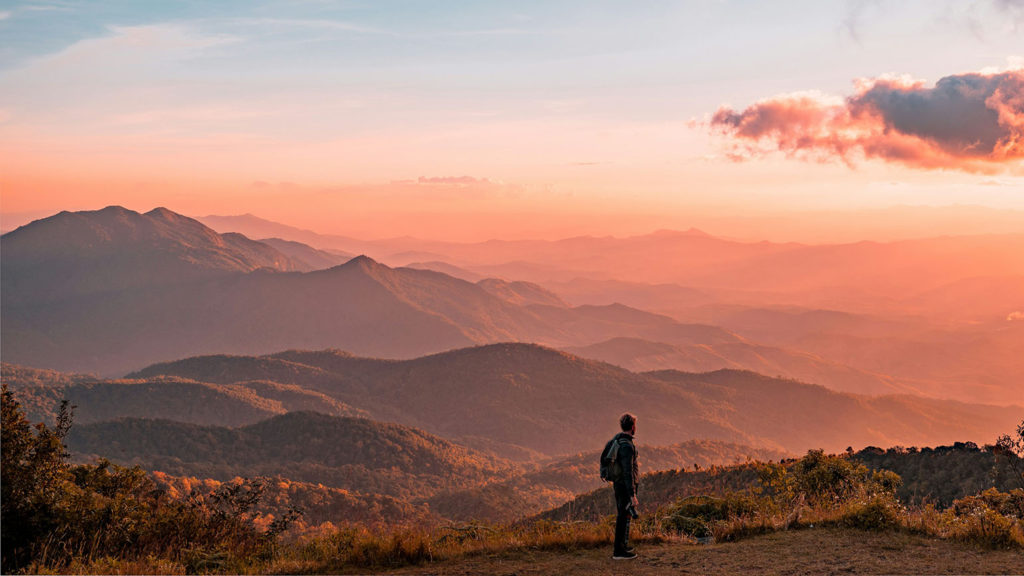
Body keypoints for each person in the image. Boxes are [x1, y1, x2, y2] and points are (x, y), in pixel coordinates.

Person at [612, 412, 639, 560]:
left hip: (619, 484)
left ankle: (622, 545)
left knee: (625, 515)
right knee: (622, 517)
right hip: (624, 486)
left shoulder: (620, 440)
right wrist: (632, 494)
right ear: (633, 426)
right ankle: (618, 551)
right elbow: (628, 472)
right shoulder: (627, 446)